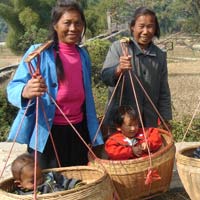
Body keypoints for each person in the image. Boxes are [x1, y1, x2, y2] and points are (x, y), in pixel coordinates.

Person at [7, 0, 103, 169]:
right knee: (49, 184)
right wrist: (25, 90)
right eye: (67, 23)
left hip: (78, 131)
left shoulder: (83, 55)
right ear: (55, 25)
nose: (73, 28)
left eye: (78, 23)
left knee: (77, 182)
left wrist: (95, 135)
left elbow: (88, 100)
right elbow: (13, 88)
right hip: (47, 133)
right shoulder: (39, 53)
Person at [101, 6, 172, 131]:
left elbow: (163, 91)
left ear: (155, 29)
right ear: (133, 27)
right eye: (141, 26)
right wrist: (119, 69)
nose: (145, 31)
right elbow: (106, 77)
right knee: (119, 150)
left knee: (147, 149)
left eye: (150, 26)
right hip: (121, 124)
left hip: (148, 123)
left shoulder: (159, 55)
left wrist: (165, 119)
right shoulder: (119, 48)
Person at [11, 153, 84, 195]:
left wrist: (76, 185)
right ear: (19, 184)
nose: (39, 181)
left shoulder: (51, 176)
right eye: (33, 181)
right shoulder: (20, 194)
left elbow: (66, 182)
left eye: (40, 176)